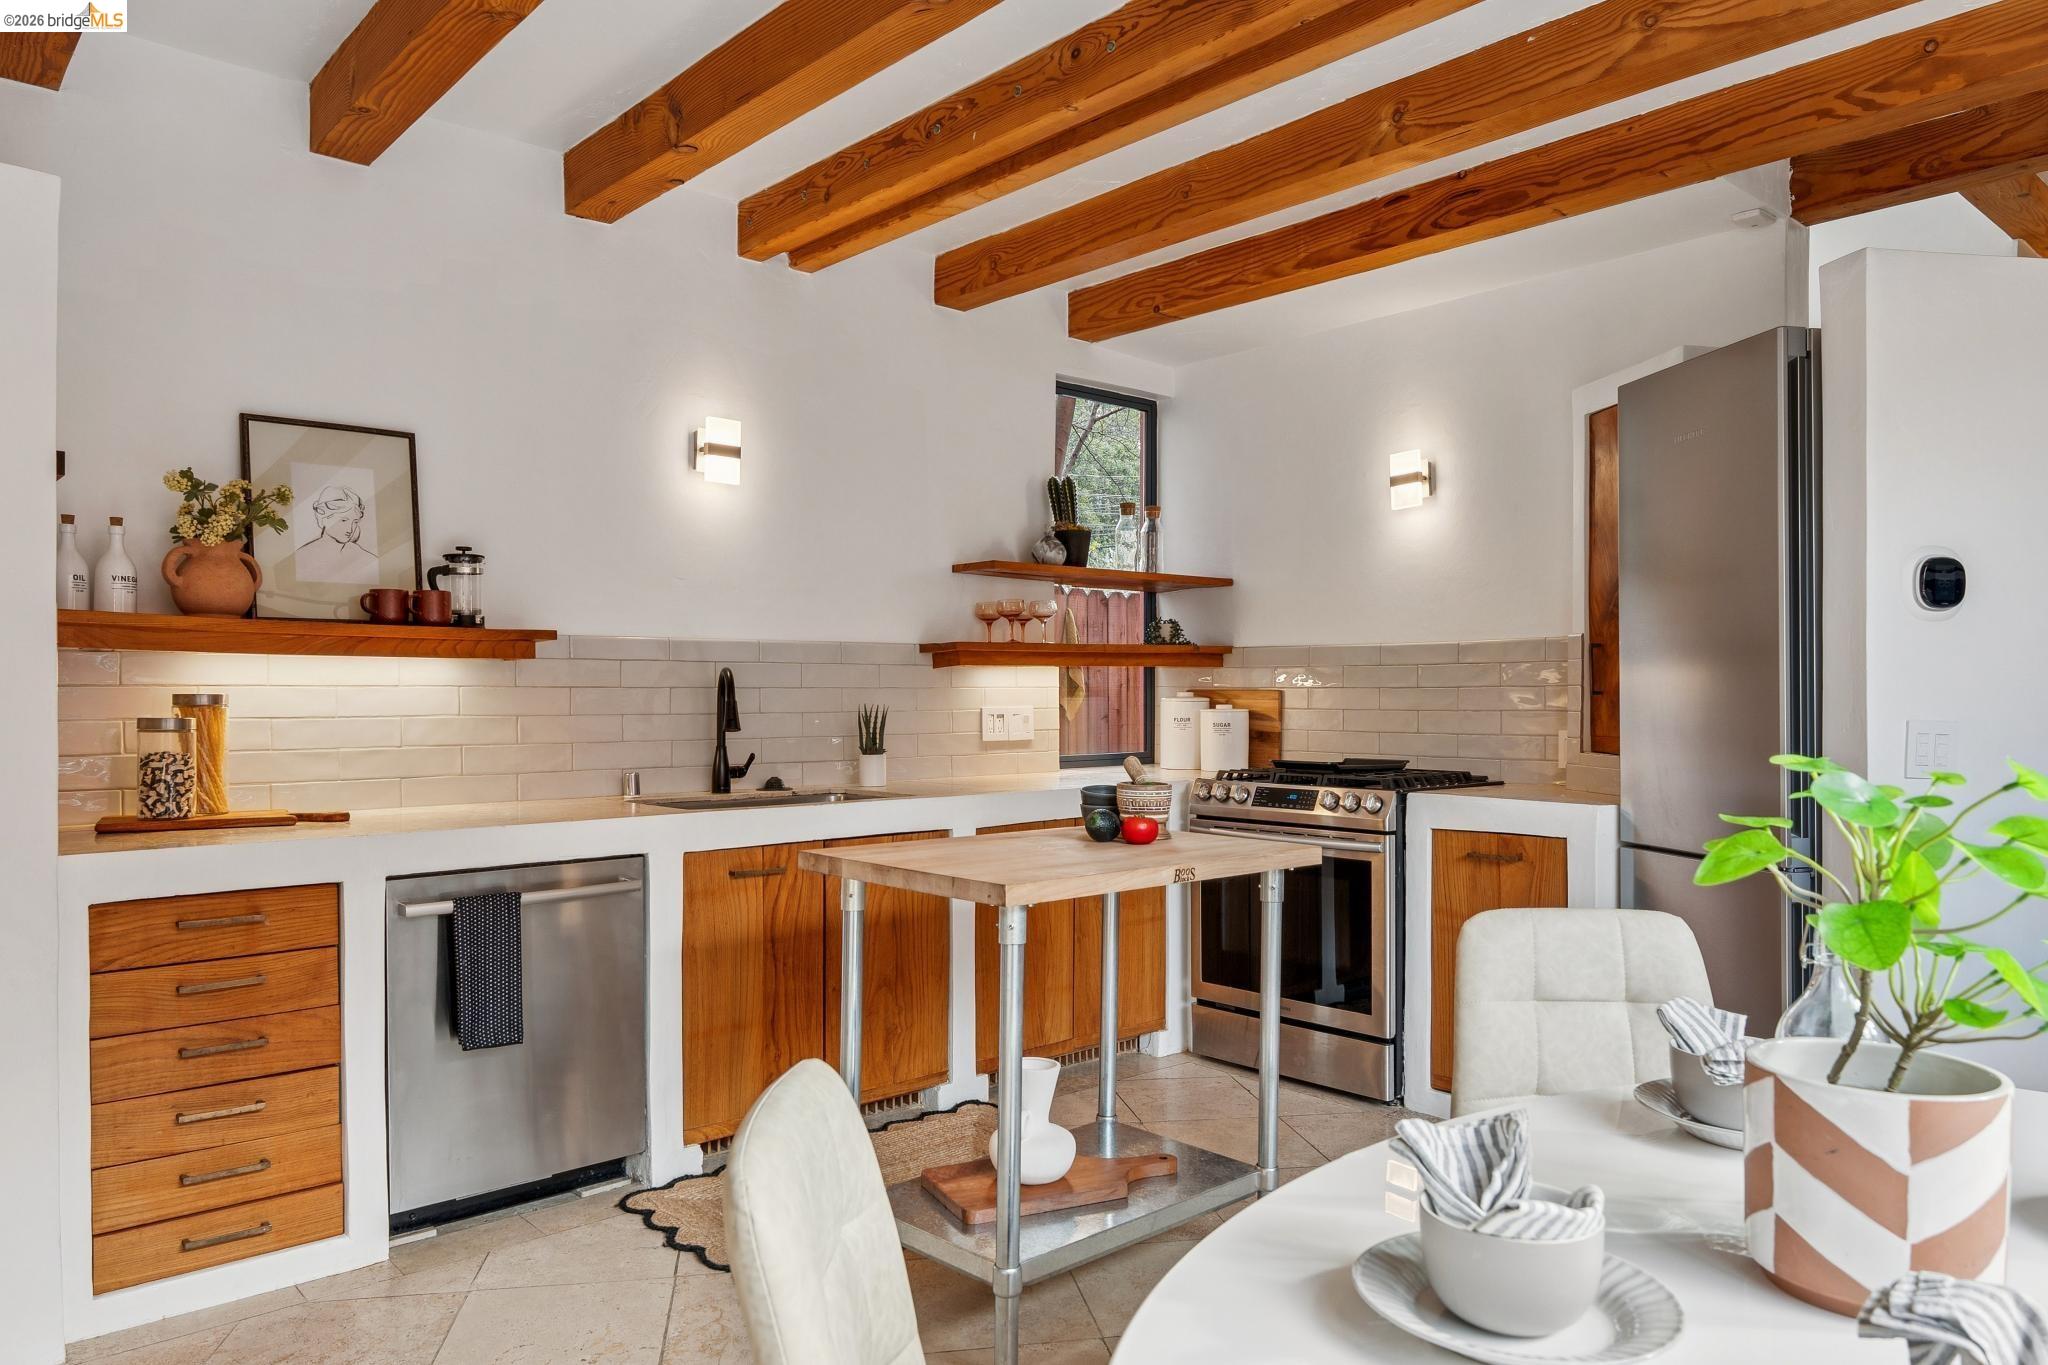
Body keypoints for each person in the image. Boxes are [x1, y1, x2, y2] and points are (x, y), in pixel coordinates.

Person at [295, 483, 377, 582]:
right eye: (343, 520)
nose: (350, 529)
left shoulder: (365, 557)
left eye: (355, 522)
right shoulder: (302, 557)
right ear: (324, 518)